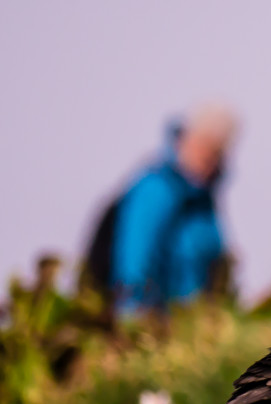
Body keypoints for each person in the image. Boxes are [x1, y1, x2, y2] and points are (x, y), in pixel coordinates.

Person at [86, 103, 239, 316]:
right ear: (187, 139)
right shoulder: (156, 190)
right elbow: (134, 264)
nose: (208, 158)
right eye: (204, 145)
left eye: (216, 151)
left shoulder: (205, 206)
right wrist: (135, 323)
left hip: (190, 327)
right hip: (153, 326)